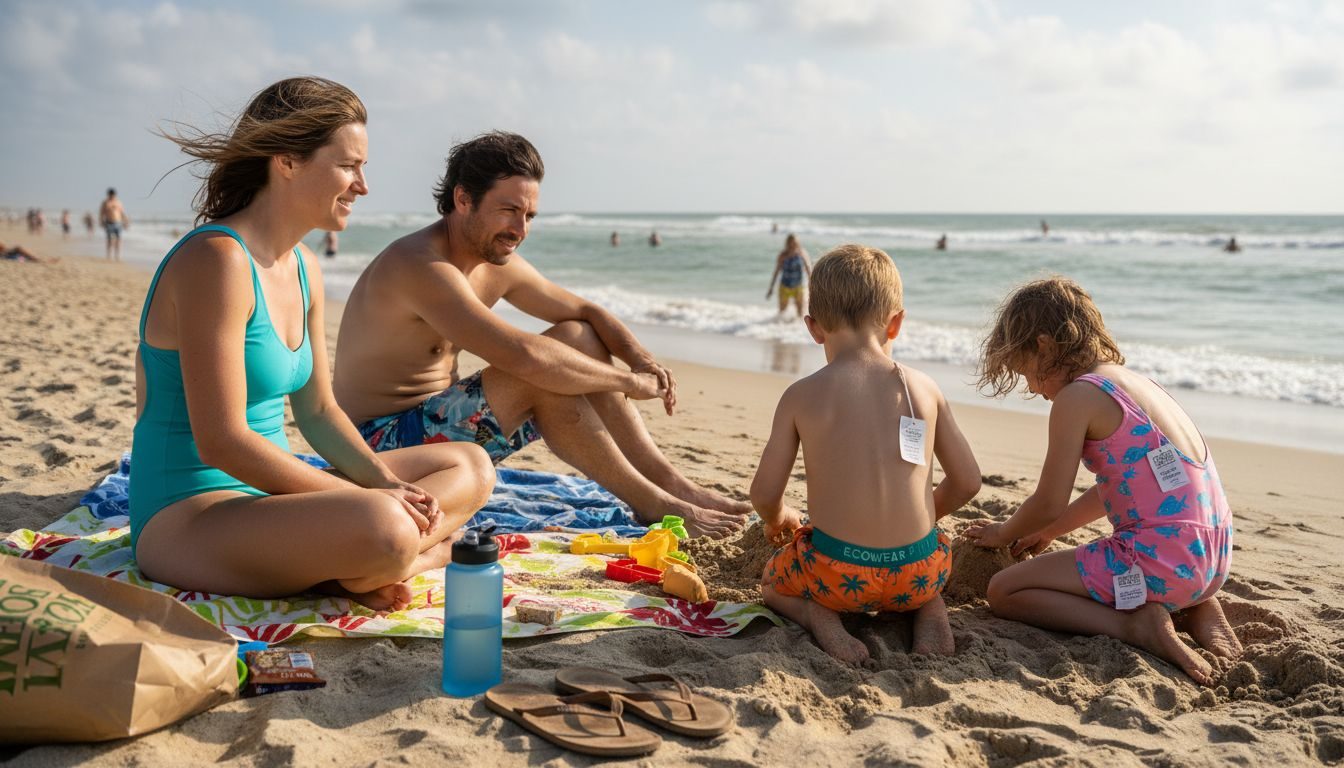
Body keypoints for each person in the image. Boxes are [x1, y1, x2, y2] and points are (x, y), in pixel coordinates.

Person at [132, 76, 495, 613]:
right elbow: (223, 443)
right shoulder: (216, 261)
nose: (362, 186)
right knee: (386, 526)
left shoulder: (303, 268)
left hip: (273, 501)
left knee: (470, 464)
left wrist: (385, 480)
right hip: (188, 514)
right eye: (349, 166)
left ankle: (353, 564)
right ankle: (410, 557)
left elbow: (320, 411)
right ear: (287, 161)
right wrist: (365, 498)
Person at [333, 131, 748, 539]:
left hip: (436, 429)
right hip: (377, 448)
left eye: (529, 215)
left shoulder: (493, 261)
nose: (520, 229)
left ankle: (671, 485)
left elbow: (588, 312)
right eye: (509, 210)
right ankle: (654, 503)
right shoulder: (421, 265)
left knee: (579, 336)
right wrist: (629, 382)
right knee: (539, 375)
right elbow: (526, 357)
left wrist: (640, 359)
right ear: (463, 199)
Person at [965, 277, 1240, 685]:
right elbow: (1129, 484)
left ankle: (1136, 626)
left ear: (1044, 346)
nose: (1033, 389)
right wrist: (1055, 531)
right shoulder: (1140, 385)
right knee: (1165, 566)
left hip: (1160, 562)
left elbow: (1048, 501)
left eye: (1027, 373)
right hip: (1212, 556)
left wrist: (1005, 531)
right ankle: (1196, 605)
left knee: (1005, 590)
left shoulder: (1077, 397)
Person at [752, 244, 981, 663]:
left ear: (813, 327)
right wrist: (923, 516)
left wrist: (780, 517)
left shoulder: (801, 396)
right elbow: (968, 482)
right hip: (918, 572)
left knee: (771, 582)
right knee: (929, 564)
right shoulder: (924, 389)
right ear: (896, 324)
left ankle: (818, 616)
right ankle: (929, 609)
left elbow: (765, 495)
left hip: (836, 576)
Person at [765, 233, 812, 318]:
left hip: (798, 287)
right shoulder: (783, 255)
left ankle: (796, 328)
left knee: (800, 314)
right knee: (782, 313)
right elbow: (776, 272)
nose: (792, 245)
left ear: (798, 243)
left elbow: (808, 269)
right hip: (785, 287)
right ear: (787, 243)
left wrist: (812, 285)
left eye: (794, 242)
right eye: (790, 243)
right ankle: (781, 327)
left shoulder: (802, 253)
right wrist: (771, 288)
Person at [100, 188, 129, 261]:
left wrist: (126, 221)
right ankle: (109, 255)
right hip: (109, 222)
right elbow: (101, 213)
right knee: (109, 240)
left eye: (113, 195)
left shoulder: (118, 202)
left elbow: (122, 213)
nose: (112, 197)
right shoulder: (105, 203)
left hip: (118, 223)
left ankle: (117, 256)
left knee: (119, 240)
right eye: (111, 195)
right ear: (108, 195)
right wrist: (102, 222)